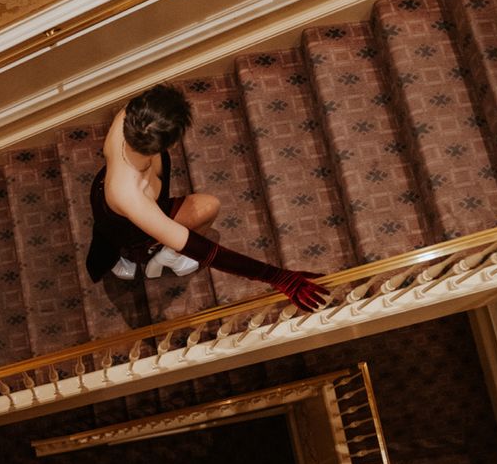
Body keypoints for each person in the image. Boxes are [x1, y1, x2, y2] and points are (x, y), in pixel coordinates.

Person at [86, 84, 328, 312]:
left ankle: (164, 255)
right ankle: (134, 256)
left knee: (209, 206)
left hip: (129, 200)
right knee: (130, 240)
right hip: (130, 226)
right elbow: (204, 251)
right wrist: (278, 277)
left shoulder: (129, 115)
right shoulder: (130, 195)